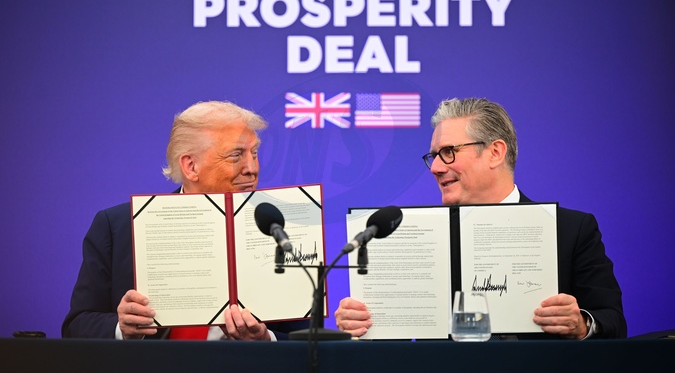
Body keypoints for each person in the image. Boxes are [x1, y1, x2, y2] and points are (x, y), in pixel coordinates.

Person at [335, 97, 627, 340]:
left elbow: (613, 322)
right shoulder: (415, 236)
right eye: (433, 156)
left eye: (448, 152)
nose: (435, 168)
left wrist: (581, 324)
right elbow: (391, 341)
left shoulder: (571, 230)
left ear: (495, 152)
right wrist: (359, 324)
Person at [62, 101, 307, 340]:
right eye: (236, 155)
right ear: (191, 166)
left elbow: (307, 340)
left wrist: (267, 341)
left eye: (254, 153)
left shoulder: (282, 229)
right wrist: (122, 328)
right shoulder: (118, 227)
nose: (251, 168)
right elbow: (77, 326)